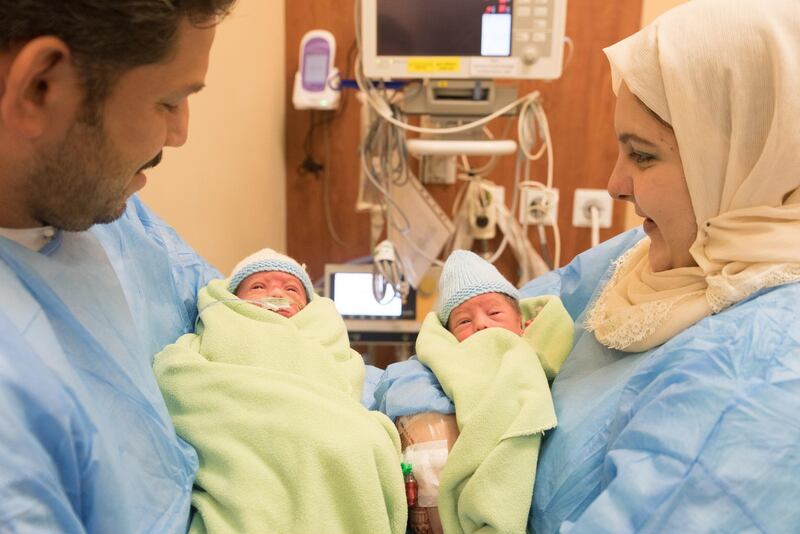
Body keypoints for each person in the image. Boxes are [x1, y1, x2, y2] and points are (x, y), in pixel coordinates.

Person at [377, 0, 800, 531]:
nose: (615, 184)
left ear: (745, 155)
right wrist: (422, 423)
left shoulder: (760, 380)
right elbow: (465, 329)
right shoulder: (654, 253)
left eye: (643, 156)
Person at [0, 1, 235, 531]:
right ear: (41, 86)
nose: (180, 133)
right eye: (169, 101)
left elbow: (262, 337)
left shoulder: (101, 213)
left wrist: (414, 413)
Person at [154, 248, 408, 533]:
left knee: (363, 442)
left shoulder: (323, 341)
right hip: (246, 434)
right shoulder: (220, 327)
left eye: (291, 288)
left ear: (308, 307)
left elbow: (343, 385)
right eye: (258, 286)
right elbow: (175, 375)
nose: (275, 293)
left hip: (325, 429)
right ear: (234, 300)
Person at [383, 250, 574, 534]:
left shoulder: (531, 344)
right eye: (463, 321)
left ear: (521, 322)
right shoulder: (447, 358)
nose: (482, 324)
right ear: (448, 334)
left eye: (495, 313)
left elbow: (555, 353)